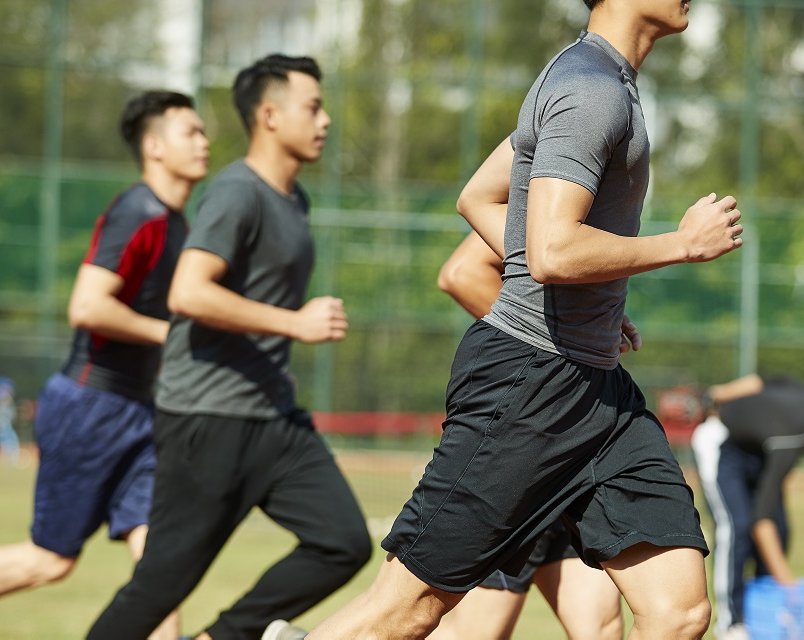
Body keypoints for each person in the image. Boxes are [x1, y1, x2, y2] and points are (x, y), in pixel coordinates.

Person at [306, 0, 743, 636]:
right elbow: (552, 251)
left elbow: (478, 197)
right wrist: (682, 244)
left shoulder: (599, 79)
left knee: (679, 611)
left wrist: (598, 293)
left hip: (598, 389)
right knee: (407, 610)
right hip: (530, 382)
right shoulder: (590, 89)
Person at [0, 89, 209, 640]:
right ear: (153, 146)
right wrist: (170, 336)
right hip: (92, 405)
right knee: (50, 560)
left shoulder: (176, 225)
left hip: (140, 412)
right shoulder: (139, 213)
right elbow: (88, 306)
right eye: (190, 132)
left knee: (159, 559)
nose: (204, 142)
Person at [85, 54, 372, 640]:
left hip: (274, 419)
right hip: (207, 419)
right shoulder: (237, 192)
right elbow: (188, 292)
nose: (325, 120)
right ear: (269, 115)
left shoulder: (294, 199)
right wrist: (294, 324)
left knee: (343, 541)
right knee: (160, 587)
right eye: (313, 107)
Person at [429, 142, 622, 640]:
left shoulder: (601, 187)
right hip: (530, 429)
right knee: (476, 632)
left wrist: (594, 323)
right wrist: (561, 345)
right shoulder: (557, 176)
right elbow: (460, 273)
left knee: (602, 625)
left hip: (578, 430)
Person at [690, 374, 804, 640]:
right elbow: (761, 521)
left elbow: (762, 381)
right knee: (737, 527)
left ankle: (764, 612)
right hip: (722, 440)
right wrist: (791, 588)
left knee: (780, 528)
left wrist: (718, 391)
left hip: (757, 451)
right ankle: (731, 623)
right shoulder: (792, 436)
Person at [0, 376, 21, 466]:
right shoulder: (0, 406)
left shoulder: (8, 406)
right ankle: (8, 455)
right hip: (1, 423)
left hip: (5, 423)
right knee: (4, 438)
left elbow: (11, 415)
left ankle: (12, 455)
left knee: (10, 438)